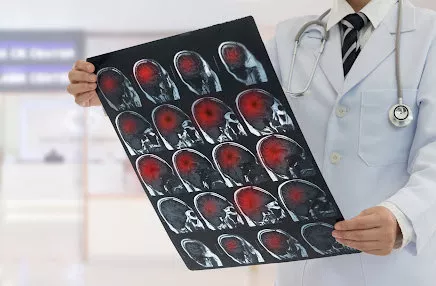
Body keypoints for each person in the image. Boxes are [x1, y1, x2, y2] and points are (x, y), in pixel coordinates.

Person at [67, 0, 436, 285]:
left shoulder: (429, 36)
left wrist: (403, 217)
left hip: (396, 265)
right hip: (306, 267)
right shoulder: (293, 39)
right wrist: (116, 93)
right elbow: (215, 110)